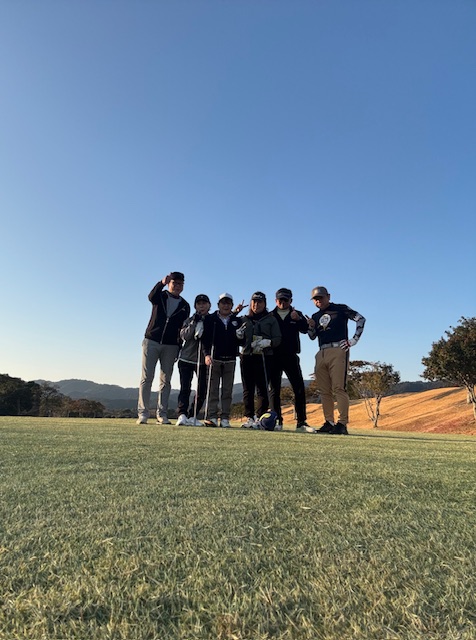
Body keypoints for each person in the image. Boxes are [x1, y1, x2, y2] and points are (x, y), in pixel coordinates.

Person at [307, 286, 366, 434]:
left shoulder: (340, 309)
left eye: (321, 298)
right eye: (315, 299)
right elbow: (312, 336)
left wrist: (353, 340)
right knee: (324, 390)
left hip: (338, 349)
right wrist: (311, 327)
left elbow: (360, 319)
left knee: (339, 387)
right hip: (321, 351)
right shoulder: (315, 316)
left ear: (328, 296)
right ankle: (329, 422)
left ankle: (342, 423)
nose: (318, 301)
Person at [136, 272, 190, 425]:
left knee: (166, 381)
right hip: (151, 341)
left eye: (180, 284)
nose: (177, 286)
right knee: (147, 378)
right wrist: (161, 283)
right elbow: (151, 296)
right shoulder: (160, 296)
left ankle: (162, 414)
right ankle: (143, 414)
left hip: (171, 345)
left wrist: (179, 347)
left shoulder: (185, 306)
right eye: (174, 283)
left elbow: (182, 328)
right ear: (169, 283)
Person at [271, 287, 315, 433]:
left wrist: (299, 319)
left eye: (286, 300)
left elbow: (305, 329)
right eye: (280, 300)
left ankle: (301, 422)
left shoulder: (297, 314)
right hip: (273, 356)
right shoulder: (270, 315)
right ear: (276, 300)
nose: (282, 302)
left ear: (291, 301)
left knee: (299, 388)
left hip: (291, 356)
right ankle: (277, 420)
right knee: (274, 389)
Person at [237, 292, 282, 428]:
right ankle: (249, 417)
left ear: (264, 304)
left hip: (264, 356)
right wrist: (238, 337)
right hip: (246, 356)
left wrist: (268, 342)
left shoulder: (271, 319)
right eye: (254, 302)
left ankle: (260, 416)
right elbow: (237, 339)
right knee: (247, 389)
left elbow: (278, 338)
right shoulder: (243, 319)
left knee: (262, 388)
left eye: (259, 302)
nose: (256, 304)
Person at [201, 293, 245, 428]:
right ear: (218, 305)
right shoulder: (210, 319)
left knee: (227, 391)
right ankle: (212, 416)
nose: (225, 306)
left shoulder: (237, 320)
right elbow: (205, 340)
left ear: (232, 305)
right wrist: (206, 355)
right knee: (212, 390)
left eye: (228, 303)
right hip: (214, 359)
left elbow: (241, 341)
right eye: (223, 303)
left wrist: (240, 337)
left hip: (230, 360)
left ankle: (225, 417)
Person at [175, 294, 211, 426]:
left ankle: (192, 415)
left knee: (202, 390)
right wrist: (194, 322)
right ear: (195, 306)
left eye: (204, 303)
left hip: (203, 361)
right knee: (185, 388)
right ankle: (182, 414)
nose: (201, 306)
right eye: (199, 304)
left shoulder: (212, 320)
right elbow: (184, 336)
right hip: (186, 359)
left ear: (209, 305)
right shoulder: (190, 320)